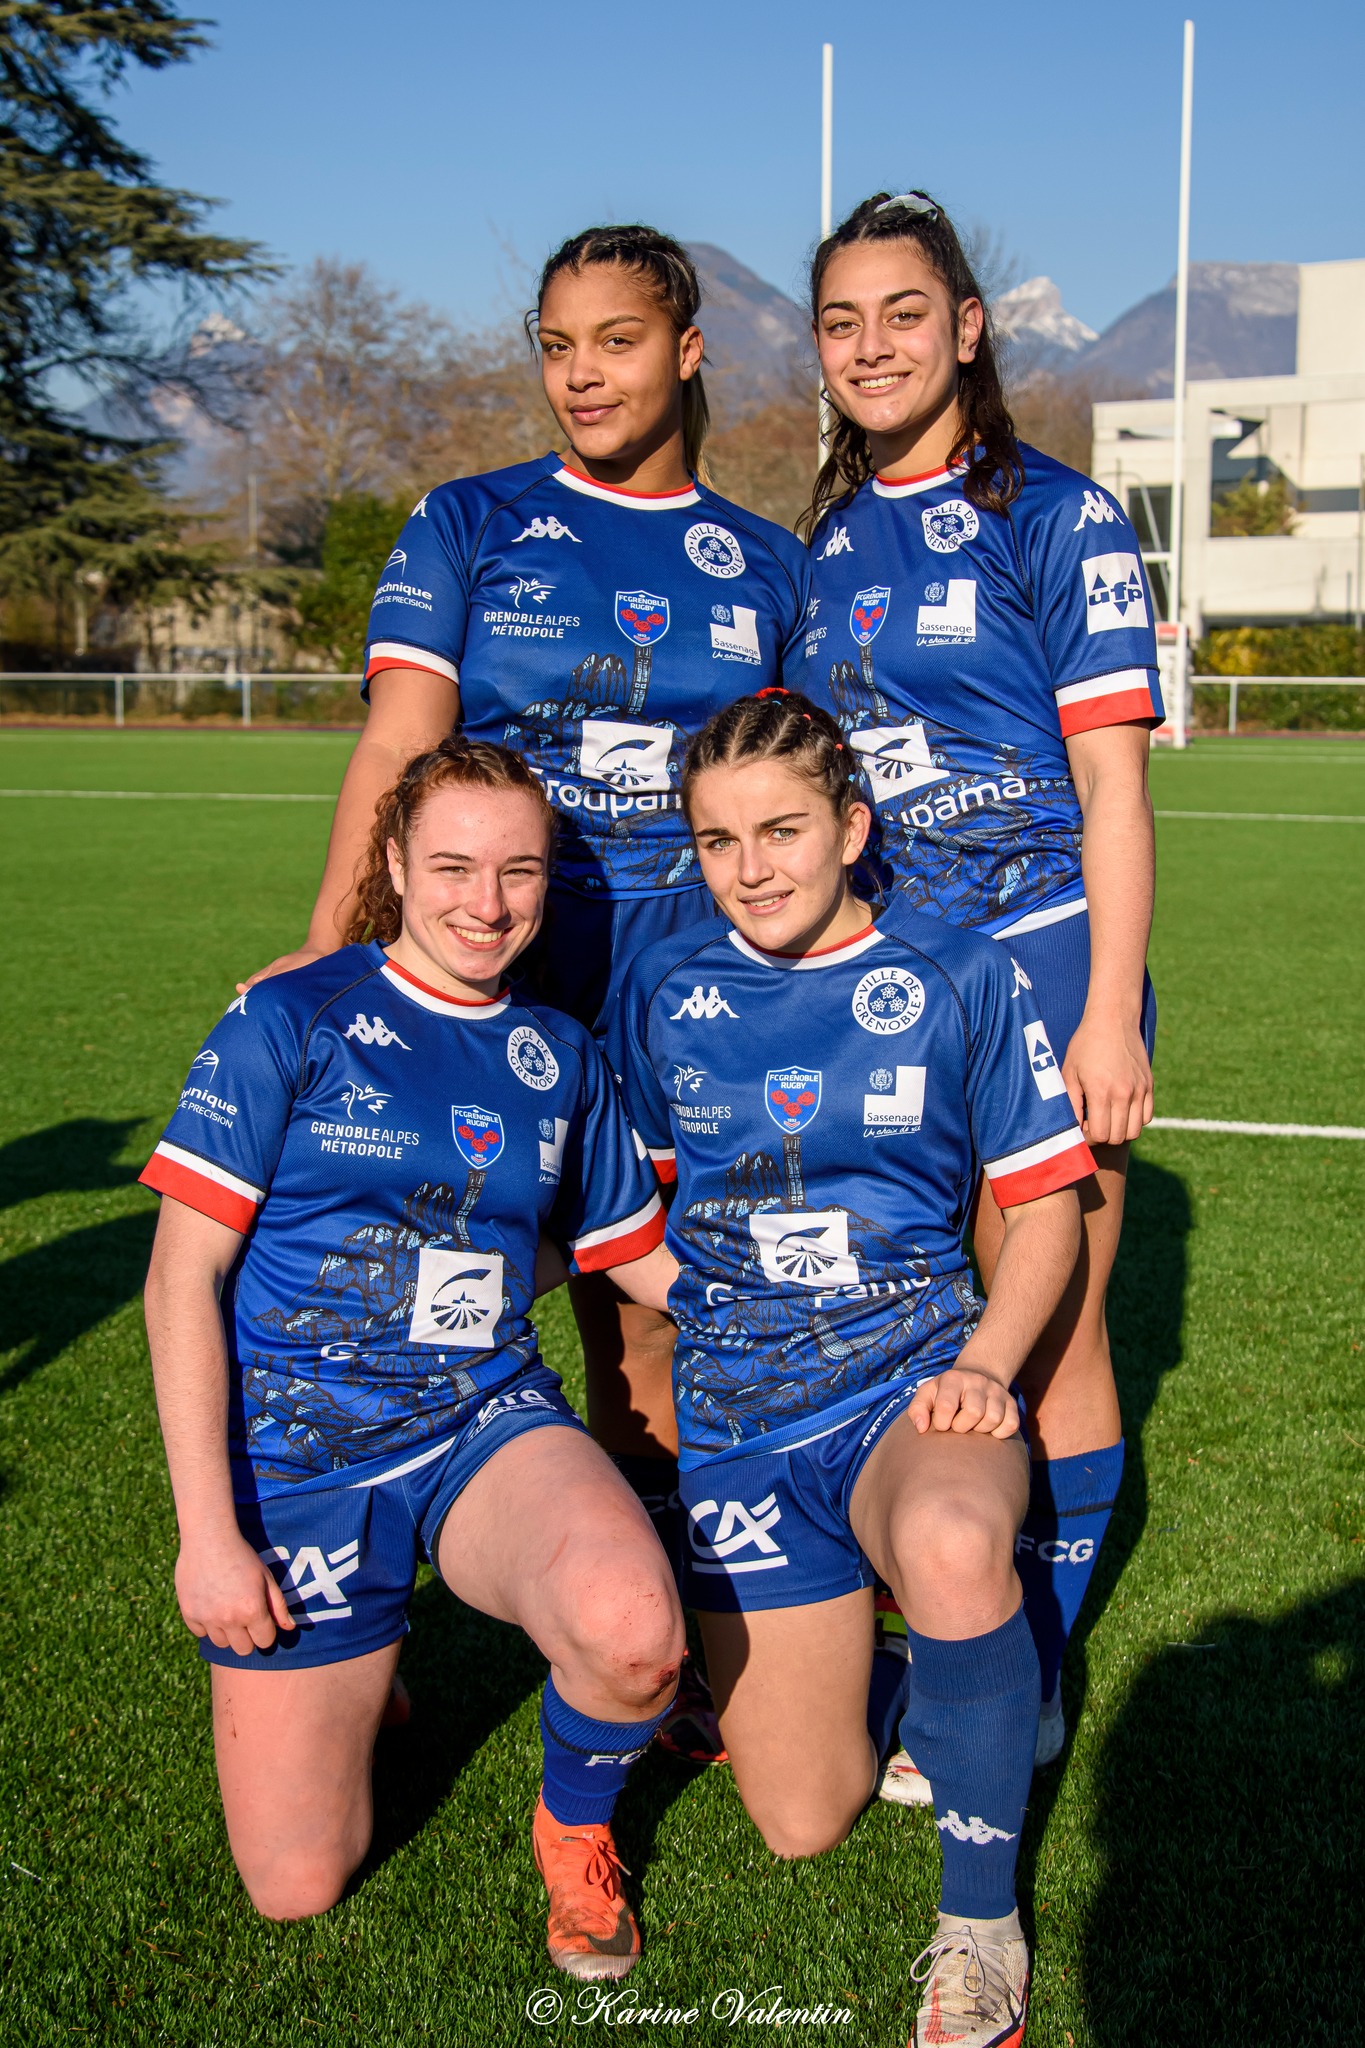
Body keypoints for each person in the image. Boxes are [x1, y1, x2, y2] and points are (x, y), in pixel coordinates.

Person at [244, 229, 813, 1745]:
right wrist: (332, 954)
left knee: (648, 1337)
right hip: (484, 997)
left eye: (615, 342)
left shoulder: (764, 564)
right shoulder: (471, 522)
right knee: (410, 1286)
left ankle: (689, 1639)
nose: (582, 376)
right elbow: (397, 751)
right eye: (557, 347)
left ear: (687, 352)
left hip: (686, 1011)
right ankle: (354, 1597)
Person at [141, 738, 685, 1984]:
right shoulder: (291, 1016)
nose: (485, 904)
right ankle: (357, 1671)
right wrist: (208, 1537)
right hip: (298, 1456)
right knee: (295, 1880)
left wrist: (799, 1298)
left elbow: (627, 1255)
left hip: (482, 1418)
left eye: (518, 872)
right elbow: (183, 1278)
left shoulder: (558, 1052)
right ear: (392, 860)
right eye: (450, 866)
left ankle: (578, 1824)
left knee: (635, 1632)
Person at [607, 691, 1096, 2047]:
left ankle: (979, 1926)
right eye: (716, 841)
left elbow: (1048, 1209)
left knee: (947, 1538)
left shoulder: (958, 976)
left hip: (910, 1386)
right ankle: (937, 1691)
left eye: (780, 830)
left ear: (851, 827)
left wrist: (990, 1365)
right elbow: (624, 1213)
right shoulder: (662, 986)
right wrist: (700, 1299)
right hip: (744, 1421)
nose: (751, 868)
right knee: (799, 1816)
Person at [803, 190, 1161, 1768]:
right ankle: (955, 1614)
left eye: (901, 312)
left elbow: (1116, 798)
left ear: (966, 330)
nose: (871, 345)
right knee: (925, 1316)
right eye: (840, 321)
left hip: (1045, 973)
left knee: (1057, 1329)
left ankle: (1026, 1669)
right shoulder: (815, 540)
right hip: (894, 993)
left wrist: (1106, 1012)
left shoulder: (1060, 518)